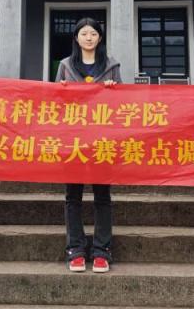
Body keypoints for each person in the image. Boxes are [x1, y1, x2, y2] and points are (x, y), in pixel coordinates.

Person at [54, 17, 121, 274]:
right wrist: (60, 91)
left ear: (100, 38)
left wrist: (114, 90)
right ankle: (76, 249)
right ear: (76, 38)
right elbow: (55, 106)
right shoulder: (65, 66)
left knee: (102, 196)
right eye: (84, 33)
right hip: (73, 141)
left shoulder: (111, 66)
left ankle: (102, 251)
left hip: (102, 141)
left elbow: (123, 107)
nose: (89, 37)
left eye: (93, 33)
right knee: (73, 197)